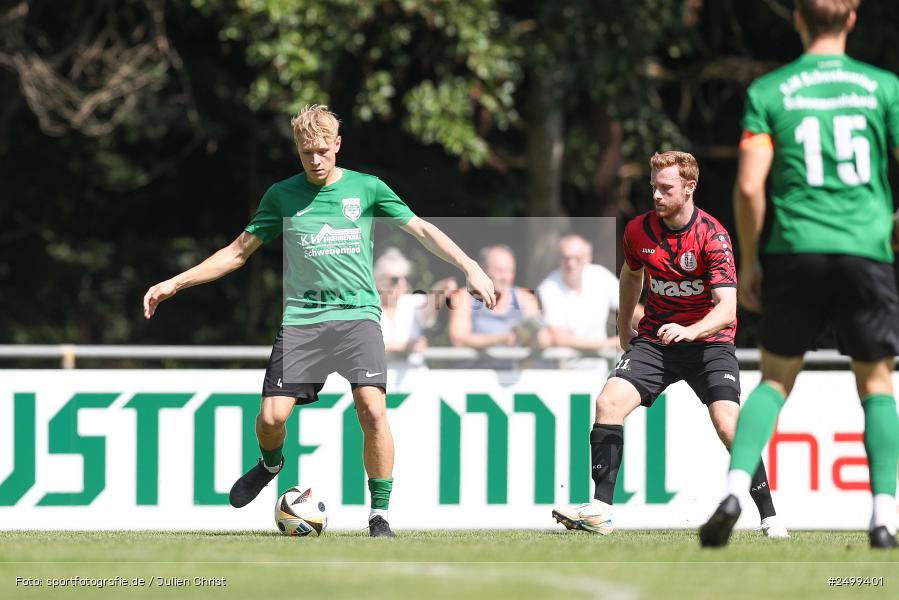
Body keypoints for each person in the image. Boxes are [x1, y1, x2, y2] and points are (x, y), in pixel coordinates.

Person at [142, 105, 495, 537]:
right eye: (307, 151)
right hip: (303, 320)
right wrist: (175, 283)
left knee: (372, 408)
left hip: (357, 318)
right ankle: (271, 464)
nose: (315, 159)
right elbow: (237, 252)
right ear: (297, 149)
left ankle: (379, 514)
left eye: (323, 151)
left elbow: (420, 229)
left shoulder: (366, 189)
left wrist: (470, 266)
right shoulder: (282, 195)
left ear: (337, 146)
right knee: (272, 419)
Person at [700, 0, 899, 549]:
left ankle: (734, 491)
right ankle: (884, 515)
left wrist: (752, 258)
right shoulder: (884, 88)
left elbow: (747, 187)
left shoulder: (771, 91)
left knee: (776, 379)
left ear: (798, 20)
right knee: (877, 383)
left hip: (794, 250)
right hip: (865, 250)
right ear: (852, 20)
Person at [552, 151, 786, 537]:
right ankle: (600, 510)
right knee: (608, 402)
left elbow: (727, 309)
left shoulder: (713, 236)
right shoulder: (638, 231)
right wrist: (625, 324)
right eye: (654, 188)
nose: (657, 196)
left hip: (708, 342)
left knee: (730, 425)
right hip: (657, 340)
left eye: (666, 188)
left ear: (689, 188)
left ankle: (770, 516)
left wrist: (691, 331)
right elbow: (631, 275)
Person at [537, 234, 636, 367]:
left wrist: (655, 325)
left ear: (588, 258)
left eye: (576, 258)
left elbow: (631, 309)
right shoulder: (548, 288)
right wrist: (610, 343)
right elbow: (559, 337)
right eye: (566, 258)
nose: (571, 264)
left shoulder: (600, 276)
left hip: (599, 369)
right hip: (562, 372)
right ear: (558, 259)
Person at [448, 244, 549, 367]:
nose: (505, 277)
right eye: (499, 270)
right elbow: (458, 339)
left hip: (514, 377)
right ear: (483, 269)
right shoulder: (464, 297)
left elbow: (544, 340)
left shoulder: (525, 297)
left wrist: (530, 335)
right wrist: (501, 339)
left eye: (509, 271)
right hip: (473, 376)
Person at [375, 247, 457, 362]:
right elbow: (364, 346)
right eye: (394, 279)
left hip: (414, 375)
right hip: (382, 377)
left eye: (406, 278)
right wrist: (404, 346)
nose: (402, 283)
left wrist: (442, 288)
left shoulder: (412, 302)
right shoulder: (367, 309)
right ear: (379, 281)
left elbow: (430, 305)